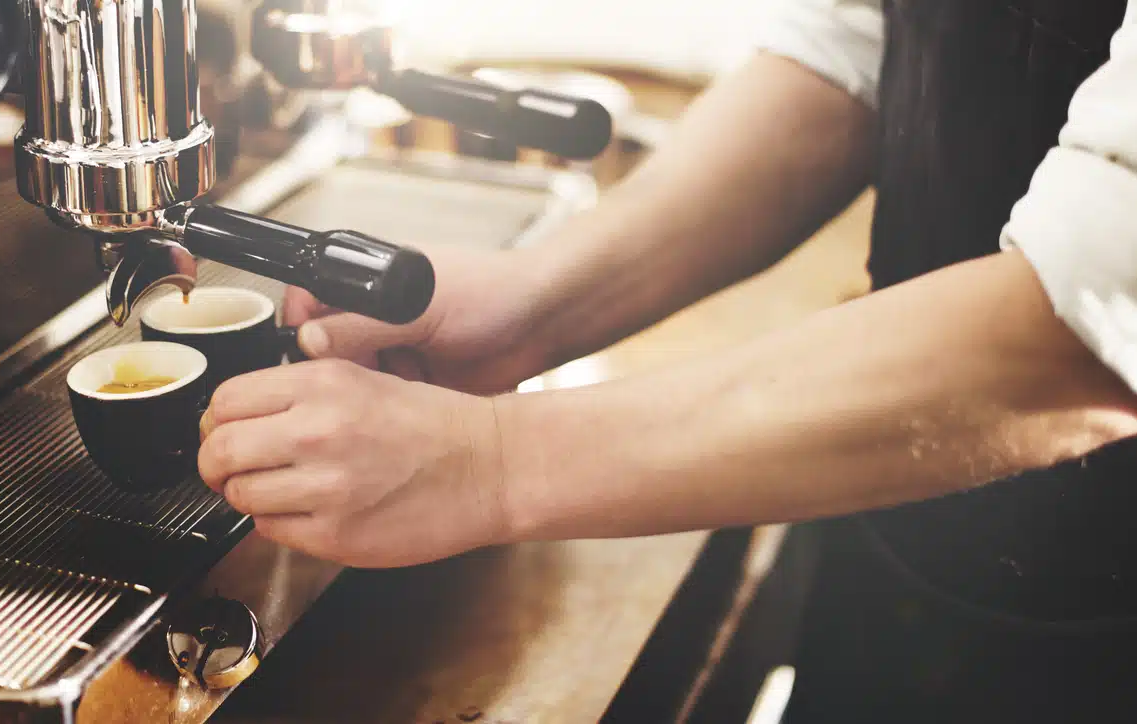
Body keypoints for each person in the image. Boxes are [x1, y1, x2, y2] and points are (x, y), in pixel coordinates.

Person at [196, 0, 1137, 720]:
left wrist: (494, 463)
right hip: (906, 531)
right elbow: (864, 44)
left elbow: (1083, 312)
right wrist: (539, 300)